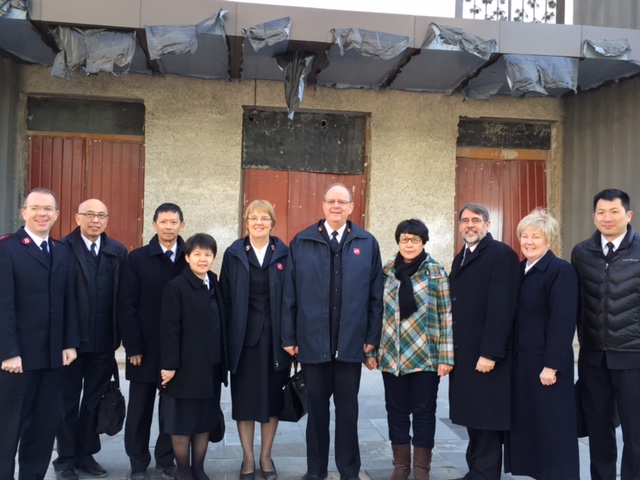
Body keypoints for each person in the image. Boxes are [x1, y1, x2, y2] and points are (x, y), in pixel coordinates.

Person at [282, 183, 383, 480]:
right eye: (331, 201)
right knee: (317, 413)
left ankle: (349, 470)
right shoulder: (302, 241)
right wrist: (289, 337)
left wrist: (371, 338)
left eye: (342, 201)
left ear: (351, 207)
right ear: (323, 205)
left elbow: (376, 295)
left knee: (348, 412)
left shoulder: (367, 242)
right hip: (312, 343)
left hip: (351, 345)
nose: (336, 206)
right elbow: (290, 293)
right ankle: (316, 470)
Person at [365, 219, 453, 480]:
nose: (409, 244)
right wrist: (371, 351)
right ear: (398, 241)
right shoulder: (387, 272)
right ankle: (401, 467)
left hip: (426, 358)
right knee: (396, 411)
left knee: (424, 413)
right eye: (405, 239)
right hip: (392, 357)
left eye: (415, 239)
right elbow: (376, 312)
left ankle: (421, 471)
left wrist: (446, 357)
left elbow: (446, 316)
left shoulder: (436, 272)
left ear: (424, 242)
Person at [0, 187, 79, 480]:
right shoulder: (7, 248)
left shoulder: (61, 251)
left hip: (52, 356)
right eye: (35, 208)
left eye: (48, 208)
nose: (42, 213)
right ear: (24, 213)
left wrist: (69, 342)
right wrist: (8, 351)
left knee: (43, 429)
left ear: (57, 215)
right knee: (8, 430)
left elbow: (68, 299)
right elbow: (3, 305)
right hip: (17, 359)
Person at [54, 199, 128, 480]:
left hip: (103, 343)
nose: (95, 220)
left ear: (107, 219)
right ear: (77, 218)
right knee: (67, 403)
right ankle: (65, 460)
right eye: (89, 215)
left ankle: (86, 454)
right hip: (70, 345)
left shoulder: (117, 252)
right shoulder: (62, 249)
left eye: (101, 215)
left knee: (93, 401)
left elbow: (124, 298)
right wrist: (63, 340)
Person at [504, 209, 579, 479]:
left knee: (553, 430)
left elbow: (562, 322)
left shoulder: (560, 271)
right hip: (523, 363)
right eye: (524, 236)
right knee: (532, 426)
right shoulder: (521, 270)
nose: (529, 241)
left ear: (549, 239)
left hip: (547, 366)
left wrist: (552, 365)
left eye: (536, 236)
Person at [448, 202, 520, 480]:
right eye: (464, 220)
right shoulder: (461, 257)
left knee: (488, 417)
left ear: (488, 225)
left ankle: (486, 473)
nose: (470, 225)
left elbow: (503, 309)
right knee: (472, 415)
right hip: (464, 351)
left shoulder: (501, 255)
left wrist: (490, 353)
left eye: (476, 220)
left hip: (487, 354)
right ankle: (475, 471)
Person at [572, 188, 640, 480]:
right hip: (592, 358)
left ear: (628, 215)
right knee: (599, 432)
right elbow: (575, 302)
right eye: (601, 212)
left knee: (635, 434)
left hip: (632, 359)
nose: (607, 218)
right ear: (594, 216)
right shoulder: (582, 251)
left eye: (614, 211)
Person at [219, 200, 290, 480]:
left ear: (273, 223)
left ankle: (266, 457)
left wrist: (290, 337)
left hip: (275, 341)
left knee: (273, 400)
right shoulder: (234, 253)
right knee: (245, 402)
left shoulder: (284, 253)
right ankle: (248, 458)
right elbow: (225, 297)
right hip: (243, 340)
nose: (259, 222)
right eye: (253, 217)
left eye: (265, 218)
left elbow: (291, 298)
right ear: (246, 222)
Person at [119, 203, 187, 480]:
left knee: (171, 409)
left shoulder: (189, 257)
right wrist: (132, 346)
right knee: (139, 409)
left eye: (174, 222)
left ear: (182, 225)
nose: (168, 227)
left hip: (177, 350)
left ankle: (165, 459)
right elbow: (127, 305)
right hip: (144, 350)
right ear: (154, 225)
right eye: (163, 222)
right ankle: (137, 463)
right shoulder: (137, 259)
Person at [159, 233, 227, 480]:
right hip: (184, 369)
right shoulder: (176, 287)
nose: (202, 259)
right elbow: (169, 330)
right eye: (197, 254)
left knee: (203, 421)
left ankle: (199, 469)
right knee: (182, 423)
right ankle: (184, 471)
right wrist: (169, 366)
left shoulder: (214, 283)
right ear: (187, 257)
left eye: (207, 254)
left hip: (210, 368)